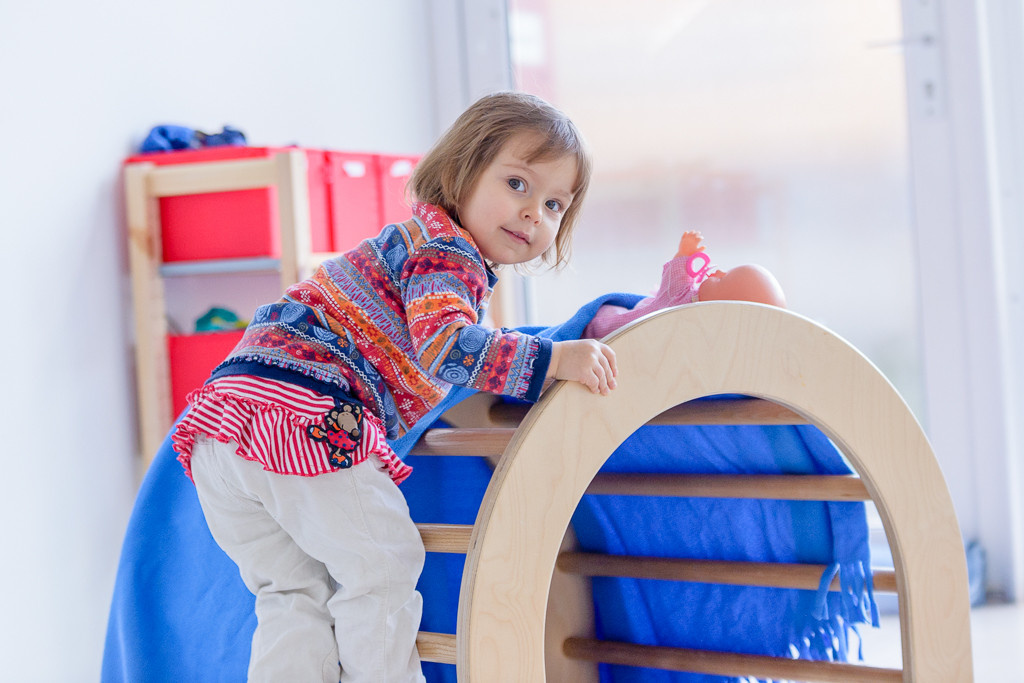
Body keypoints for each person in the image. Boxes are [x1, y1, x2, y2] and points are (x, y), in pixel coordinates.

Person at [170, 91, 617, 683]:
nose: (535, 213)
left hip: (221, 425)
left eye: (556, 203)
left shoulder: (409, 245)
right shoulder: (446, 253)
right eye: (517, 184)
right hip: (308, 416)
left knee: (291, 591)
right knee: (382, 568)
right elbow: (447, 346)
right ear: (460, 172)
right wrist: (552, 356)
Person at [582, 230, 786, 340]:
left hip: (613, 331)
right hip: (646, 326)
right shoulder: (712, 334)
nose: (718, 271)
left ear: (721, 309)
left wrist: (684, 252)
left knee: (606, 312)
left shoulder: (683, 297)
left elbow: (674, 277)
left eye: (723, 278)